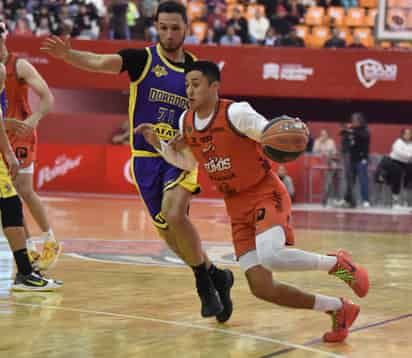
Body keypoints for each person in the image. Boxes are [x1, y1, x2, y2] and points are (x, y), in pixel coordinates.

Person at [137, 61, 370, 343]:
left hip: (264, 191)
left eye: (196, 84)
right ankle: (339, 309)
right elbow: (186, 162)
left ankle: (337, 263)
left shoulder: (237, 113)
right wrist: (158, 145)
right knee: (262, 288)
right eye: (187, 85)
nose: (189, 90)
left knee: (272, 255)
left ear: (214, 86)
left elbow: (270, 134)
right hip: (235, 206)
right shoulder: (185, 121)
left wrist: (287, 136)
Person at [41, 1, 233, 322]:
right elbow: (101, 62)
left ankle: (203, 284)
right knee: (171, 237)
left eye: (175, 27)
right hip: (145, 157)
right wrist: (70, 56)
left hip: (182, 153)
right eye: (164, 27)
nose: (169, 34)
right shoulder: (142, 59)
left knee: (174, 214)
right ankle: (216, 275)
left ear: (187, 28)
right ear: (156, 27)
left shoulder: (198, 69)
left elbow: (208, 113)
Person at [0, 22, 61, 271]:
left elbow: (47, 97)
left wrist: (31, 121)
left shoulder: (19, 65)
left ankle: (50, 240)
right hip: (3, 131)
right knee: (8, 196)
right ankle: (28, 249)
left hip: (21, 135)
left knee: (23, 189)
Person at [341, 113, 370, 208]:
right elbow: (343, 136)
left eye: (356, 120)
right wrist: (347, 131)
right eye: (353, 120)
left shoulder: (364, 131)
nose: (354, 122)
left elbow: (363, 136)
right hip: (351, 160)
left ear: (361, 121)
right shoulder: (350, 131)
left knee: (363, 180)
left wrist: (351, 130)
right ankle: (347, 199)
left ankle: (366, 200)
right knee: (350, 181)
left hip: (361, 159)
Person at [313, 129, 339, 206]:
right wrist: (320, 143)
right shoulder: (317, 141)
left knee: (328, 181)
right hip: (319, 165)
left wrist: (325, 153)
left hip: (330, 165)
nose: (323, 136)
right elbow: (314, 152)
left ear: (327, 135)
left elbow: (333, 153)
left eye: (325, 135)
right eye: (322, 135)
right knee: (326, 182)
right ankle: (325, 198)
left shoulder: (331, 142)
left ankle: (325, 198)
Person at [387, 128, 412, 208]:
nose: (408, 135)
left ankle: (406, 201)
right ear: (402, 134)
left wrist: (408, 155)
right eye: (406, 133)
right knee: (396, 179)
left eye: (409, 133)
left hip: (408, 163)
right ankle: (395, 201)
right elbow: (398, 153)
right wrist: (409, 155)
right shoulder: (398, 142)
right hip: (396, 162)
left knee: (408, 181)